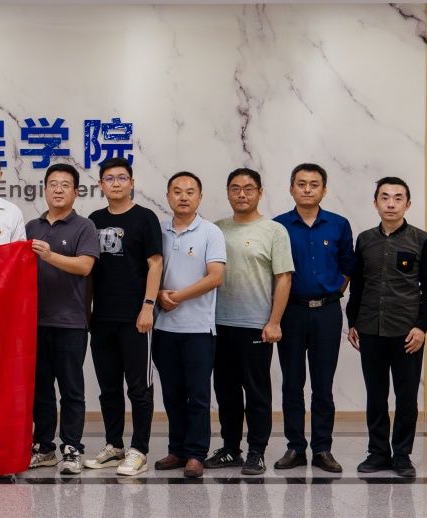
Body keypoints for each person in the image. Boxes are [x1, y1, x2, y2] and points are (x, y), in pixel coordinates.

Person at [347, 177, 427, 479]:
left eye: (398, 198)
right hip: (370, 329)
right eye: (385, 197)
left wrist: (422, 327)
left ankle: (401, 454)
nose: (391, 203)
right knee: (376, 395)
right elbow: (358, 285)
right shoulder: (364, 240)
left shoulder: (422, 240)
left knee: (406, 396)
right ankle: (377, 452)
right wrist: (353, 321)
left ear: (407, 204)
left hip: (407, 332)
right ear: (375, 203)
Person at [207, 168, 293, 475]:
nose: (241, 194)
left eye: (248, 188)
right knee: (226, 392)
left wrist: (274, 321)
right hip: (219, 325)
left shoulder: (274, 231)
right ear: (227, 192)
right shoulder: (216, 229)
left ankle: (257, 451)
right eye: (235, 188)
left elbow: (283, 278)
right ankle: (231, 448)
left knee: (256, 393)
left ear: (260, 192)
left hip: (256, 325)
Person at [272, 163, 355, 473]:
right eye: (301, 183)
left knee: (323, 384)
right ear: (291, 188)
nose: (307, 189)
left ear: (324, 190)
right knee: (292, 384)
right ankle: (295, 447)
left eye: (314, 184)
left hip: (327, 313)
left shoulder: (339, 225)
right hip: (291, 312)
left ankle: (322, 448)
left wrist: (331, 293)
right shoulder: (278, 226)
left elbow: (348, 267)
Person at [83, 157, 162, 476]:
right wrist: (87, 310)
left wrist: (148, 306)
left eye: (121, 178)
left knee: (139, 388)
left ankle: (139, 450)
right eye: (109, 178)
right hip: (102, 318)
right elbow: (89, 270)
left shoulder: (145, 218)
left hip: (135, 317)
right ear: (100, 185)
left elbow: (155, 264)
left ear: (132, 183)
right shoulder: (94, 219)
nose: (115, 183)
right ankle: (114, 446)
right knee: (108, 387)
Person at [25, 164, 100, 476]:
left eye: (65, 185)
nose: (58, 189)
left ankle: (72, 447)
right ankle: (44, 447)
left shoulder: (85, 226)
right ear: (44, 189)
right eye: (52, 184)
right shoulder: (31, 226)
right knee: (40, 389)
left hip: (71, 321)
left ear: (76, 191)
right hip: (34, 322)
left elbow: (84, 266)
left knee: (71, 389)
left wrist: (49, 255)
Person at [152, 172, 225, 479]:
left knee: (197, 395)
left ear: (200, 197)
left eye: (190, 191)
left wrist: (177, 297)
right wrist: (158, 295)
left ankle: (196, 453)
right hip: (164, 328)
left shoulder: (210, 232)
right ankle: (177, 450)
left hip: (198, 329)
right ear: (168, 196)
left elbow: (215, 276)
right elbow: (149, 271)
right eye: (177, 191)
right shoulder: (159, 230)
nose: (183, 197)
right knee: (172, 395)